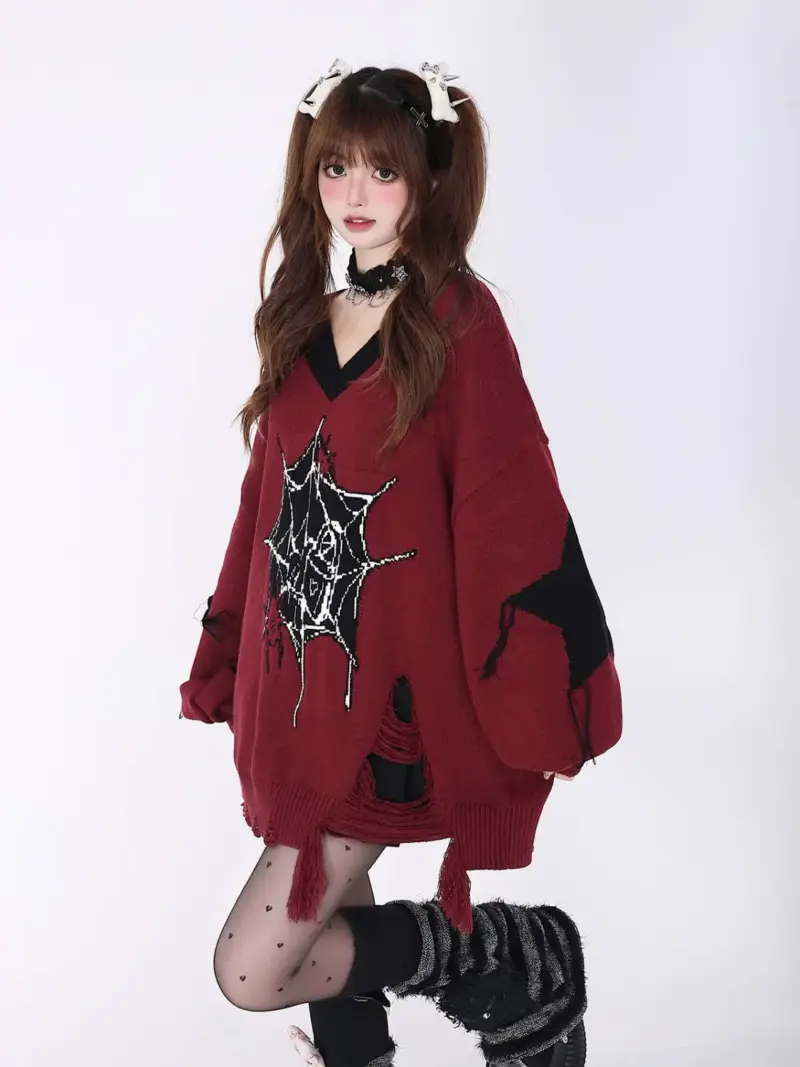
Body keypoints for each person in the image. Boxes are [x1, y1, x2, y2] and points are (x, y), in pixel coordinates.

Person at [179, 58, 623, 1067]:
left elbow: (513, 509)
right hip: (301, 688)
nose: (354, 192)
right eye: (334, 166)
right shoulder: (302, 318)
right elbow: (265, 511)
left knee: (252, 967)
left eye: (381, 169)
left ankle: (507, 952)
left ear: (425, 177)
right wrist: (227, 651)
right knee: (326, 899)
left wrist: (545, 685)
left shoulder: (457, 321)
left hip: (396, 706)